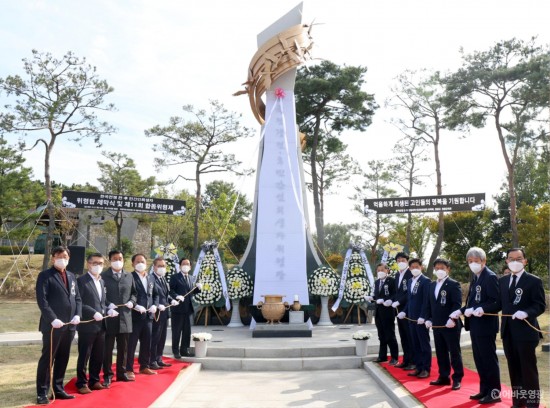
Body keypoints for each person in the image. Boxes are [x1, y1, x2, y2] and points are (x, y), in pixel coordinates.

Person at [450, 246, 501, 404]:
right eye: (470, 261)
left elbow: (497, 302)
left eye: (476, 261)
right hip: (475, 325)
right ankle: (484, 389)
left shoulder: (490, 277)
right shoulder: (475, 277)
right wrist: (461, 311)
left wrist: (482, 309)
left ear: (484, 261)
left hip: (486, 325)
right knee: (479, 359)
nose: (473, 264)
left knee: (488, 359)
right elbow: (472, 302)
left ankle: (494, 393)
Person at [498, 248, 545, 408]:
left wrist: (526, 312)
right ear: (506, 261)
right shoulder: (502, 281)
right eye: (511, 259)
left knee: (528, 371)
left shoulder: (534, 280)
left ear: (525, 261)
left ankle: (532, 404)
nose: (515, 262)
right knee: (514, 369)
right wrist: (479, 309)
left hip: (526, 333)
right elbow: (499, 304)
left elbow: (539, 305)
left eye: (519, 258)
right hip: (508, 332)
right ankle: (518, 402)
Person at [35, 246, 82, 405]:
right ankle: (42, 392)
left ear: (69, 258)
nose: (63, 259)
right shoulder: (45, 276)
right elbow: (43, 301)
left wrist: (77, 315)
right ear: (53, 258)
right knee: (48, 359)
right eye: (59, 256)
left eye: (65, 256)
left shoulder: (72, 276)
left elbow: (78, 299)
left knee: (63, 357)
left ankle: (59, 388)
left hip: (69, 326)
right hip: (53, 326)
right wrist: (52, 318)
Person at [75, 253, 118, 394]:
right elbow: (80, 302)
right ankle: (81, 383)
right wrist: (93, 312)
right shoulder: (81, 281)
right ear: (88, 264)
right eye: (95, 263)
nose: (97, 266)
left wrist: (109, 308)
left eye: (100, 263)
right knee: (84, 355)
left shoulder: (102, 281)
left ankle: (94, 380)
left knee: (98, 355)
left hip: (101, 325)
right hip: (87, 325)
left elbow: (102, 302)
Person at [424, 258, 464, 390]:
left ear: (448, 269)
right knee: (440, 352)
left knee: (454, 352)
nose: (439, 270)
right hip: (437, 325)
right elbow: (429, 304)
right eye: (437, 268)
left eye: (442, 268)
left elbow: (457, 304)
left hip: (450, 324)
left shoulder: (453, 284)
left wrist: (452, 319)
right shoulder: (432, 285)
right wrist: (428, 318)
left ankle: (457, 378)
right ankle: (444, 376)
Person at [102, 250, 137, 387]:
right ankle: (108, 375)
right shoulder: (104, 276)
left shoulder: (129, 276)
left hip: (125, 318)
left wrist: (132, 302)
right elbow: (100, 296)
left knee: (124, 349)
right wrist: (107, 305)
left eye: (120, 258)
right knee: (108, 349)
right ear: (110, 260)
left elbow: (134, 293)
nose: (118, 261)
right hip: (110, 318)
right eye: (115, 258)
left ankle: (122, 374)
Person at [397, 258, 431, 379]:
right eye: (412, 267)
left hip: (420, 319)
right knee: (415, 344)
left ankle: (426, 369)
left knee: (423, 344)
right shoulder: (410, 281)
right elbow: (410, 300)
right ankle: (418, 366)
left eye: (417, 267)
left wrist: (423, 316)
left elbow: (426, 301)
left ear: (421, 267)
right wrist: (404, 312)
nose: (414, 269)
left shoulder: (426, 281)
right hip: (410, 318)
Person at [126, 253, 159, 375]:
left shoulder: (151, 278)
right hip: (135, 317)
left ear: (146, 263)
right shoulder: (129, 277)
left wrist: (155, 304)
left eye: (143, 262)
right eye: (138, 262)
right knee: (131, 344)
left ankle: (144, 366)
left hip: (148, 317)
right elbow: (127, 296)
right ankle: (129, 369)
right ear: (133, 264)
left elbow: (156, 294)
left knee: (146, 343)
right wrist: (135, 306)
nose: (141, 264)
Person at [365, 263, 398, 365]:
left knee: (390, 335)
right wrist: (371, 298)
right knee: (381, 335)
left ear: (387, 270)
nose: (380, 272)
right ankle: (382, 356)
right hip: (378, 312)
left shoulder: (392, 281)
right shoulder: (377, 282)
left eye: (382, 270)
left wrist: (387, 300)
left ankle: (394, 357)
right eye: (378, 270)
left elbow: (395, 294)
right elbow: (377, 296)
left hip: (388, 311)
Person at [150, 257, 179, 369]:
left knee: (162, 337)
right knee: (155, 337)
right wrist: (157, 306)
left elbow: (166, 295)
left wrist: (172, 300)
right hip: (156, 313)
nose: (162, 268)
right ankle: (151, 361)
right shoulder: (151, 279)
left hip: (165, 313)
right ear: (154, 267)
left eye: (163, 266)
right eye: (159, 266)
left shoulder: (163, 279)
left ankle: (159, 358)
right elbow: (150, 296)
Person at [170, 258, 201, 358]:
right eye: (183, 264)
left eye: (187, 264)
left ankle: (184, 350)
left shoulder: (192, 278)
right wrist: (177, 296)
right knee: (177, 331)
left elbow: (190, 292)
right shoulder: (175, 277)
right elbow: (170, 291)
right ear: (179, 266)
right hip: (178, 309)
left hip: (188, 309)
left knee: (187, 331)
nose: (185, 265)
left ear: (190, 267)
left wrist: (198, 288)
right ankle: (175, 351)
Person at [391, 252, 414, 370]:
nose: (401, 262)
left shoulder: (411, 273)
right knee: (403, 335)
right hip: (399, 310)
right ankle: (405, 359)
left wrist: (399, 301)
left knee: (410, 336)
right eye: (398, 260)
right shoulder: (397, 275)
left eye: (403, 260)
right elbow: (397, 292)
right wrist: (393, 300)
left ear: (407, 261)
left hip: (408, 309)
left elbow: (409, 292)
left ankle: (412, 361)